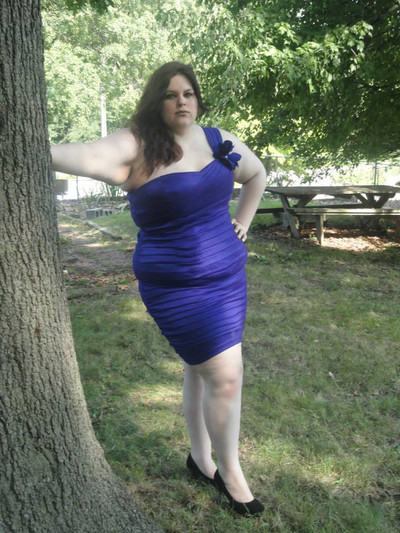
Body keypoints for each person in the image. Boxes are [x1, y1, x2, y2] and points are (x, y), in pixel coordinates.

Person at [51, 61, 267, 516]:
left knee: (200, 369)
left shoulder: (216, 140)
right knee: (226, 376)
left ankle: (201, 459)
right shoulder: (138, 144)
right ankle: (231, 474)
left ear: (198, 99)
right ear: (157, 101)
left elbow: (256, 174)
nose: (181, 101)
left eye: (188, 93)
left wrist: (242, 223)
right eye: (170, 94)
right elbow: (83, 154)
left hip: (229, 281)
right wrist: (28, 142)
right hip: (177, 288)